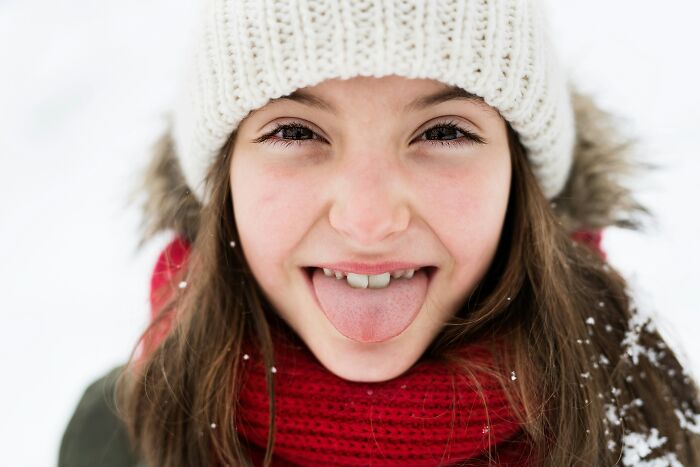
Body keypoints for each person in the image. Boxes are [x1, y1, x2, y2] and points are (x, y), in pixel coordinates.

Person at [59, 0, 700, 466]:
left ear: (521, 177)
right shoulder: (112, 438)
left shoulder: (656, 432)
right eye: (295, 132)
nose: (367, 223)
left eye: (444, 132)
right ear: (223, 180)